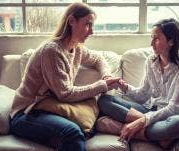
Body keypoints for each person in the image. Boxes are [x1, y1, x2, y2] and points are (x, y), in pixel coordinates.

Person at [9, 2, 119, 151]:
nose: (91, 31)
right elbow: (65, 94)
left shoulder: (76, 48)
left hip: (49, 108)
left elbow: (98, 59)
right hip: (27, 112)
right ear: (72, 21)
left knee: (88, 126)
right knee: (72, 132)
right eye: (88, 24)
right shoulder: (52, 51)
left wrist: (106, 75)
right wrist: (102, 85)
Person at [97, 18, 179, 148]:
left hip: (171, 116)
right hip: (149, 109)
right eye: (151, 38)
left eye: (156, 39)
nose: (151, 43)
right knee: (104, 100)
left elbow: (173, 109)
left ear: (171, 41)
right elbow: (143, 94)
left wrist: (143, 121)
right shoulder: (151, 61)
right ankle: (158, 137)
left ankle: (119, 128)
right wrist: (123, 86)